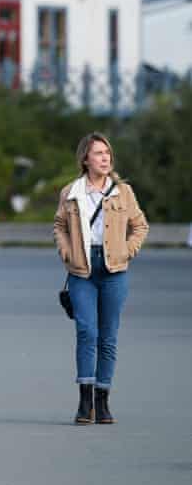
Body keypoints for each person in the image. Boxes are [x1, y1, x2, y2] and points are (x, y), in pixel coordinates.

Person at [53, 132, 148, 425]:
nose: (105, 158)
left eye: (107, 153)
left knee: (108, 336)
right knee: (86, 332)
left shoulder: (123, 192)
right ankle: (84, 402)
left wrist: (127, 251)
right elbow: (59, 225)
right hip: (82, 270)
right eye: (98, 153)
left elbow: (140, 226)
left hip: (114, 271)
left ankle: (102, 401)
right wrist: (66, 251)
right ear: (85, 159)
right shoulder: (71, 192)